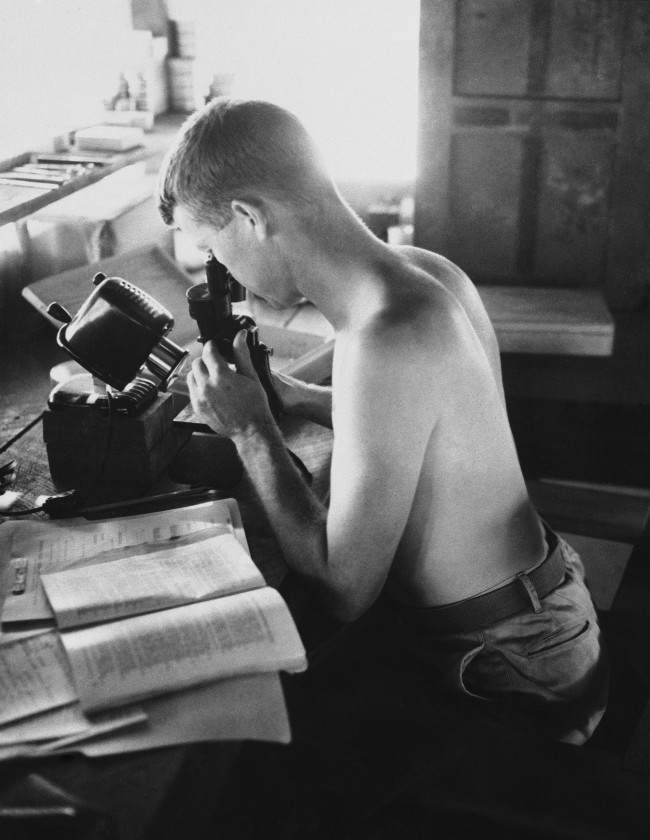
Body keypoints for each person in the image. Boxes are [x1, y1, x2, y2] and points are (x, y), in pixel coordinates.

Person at [158, 97, 609, 745]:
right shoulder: (426, 274)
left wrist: (253, 431)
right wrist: (287, 394)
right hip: (544, 607)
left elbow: (344, 588)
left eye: (211, 248)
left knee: (275, 738)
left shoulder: (386, 337)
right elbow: (415, 424)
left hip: (506, 664)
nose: (222, 273)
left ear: (248, 216)